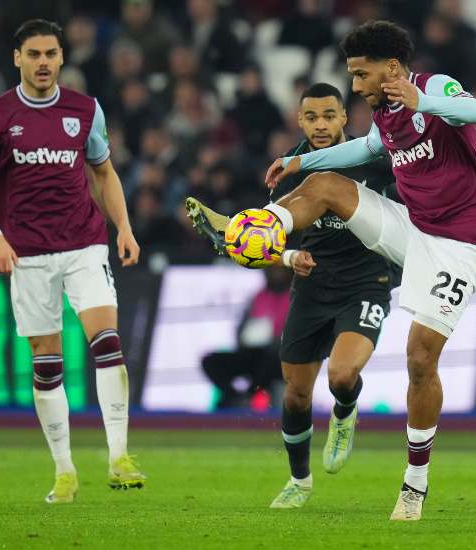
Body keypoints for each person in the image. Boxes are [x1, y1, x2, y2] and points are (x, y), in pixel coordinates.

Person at [188, 20, 476, 521]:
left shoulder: (432, 88)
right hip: (412, 227)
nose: (355, 85)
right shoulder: (386, 118)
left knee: (420, 358)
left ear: (391, 69)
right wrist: (300, 165)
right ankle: (260, 225)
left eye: (360, 74)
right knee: (328, 181)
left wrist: (424, 102)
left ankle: (414, 485)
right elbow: (367, 149)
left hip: (460, 245)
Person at [0, 19, 145, 504]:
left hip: (85, 242)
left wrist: (122, 227)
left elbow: (104, 174)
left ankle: (119, 457)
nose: (43, 63)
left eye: (51, 54)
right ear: (17, 58)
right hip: (28, 253)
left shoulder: (85, 110)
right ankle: (64, 471)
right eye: (34, 54)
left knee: (106, 341)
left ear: (63, 58)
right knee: (48, 364)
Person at [189, 82, 396, 508]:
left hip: (366, 283)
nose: (320, 125)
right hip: (313, 288)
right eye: (311, 117)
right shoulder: (291, 169)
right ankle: (299, 481)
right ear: (299, 121)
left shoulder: (374, 161)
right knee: (296, 394)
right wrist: (289, 259)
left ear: (344, 118)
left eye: (328, 116)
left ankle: (345, 409)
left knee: (341, 375)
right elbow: (264, 242)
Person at [202, 265, 291, 409]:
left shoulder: (295, 298)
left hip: (279, 357)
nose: (275, 274)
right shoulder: (259, 297)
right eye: (272, 270)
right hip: (253, 352)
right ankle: (234, 396)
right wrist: (245, 339)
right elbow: (242, 328)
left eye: (279, 270)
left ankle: (250, 397)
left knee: (269, 362)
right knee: (211, 361)